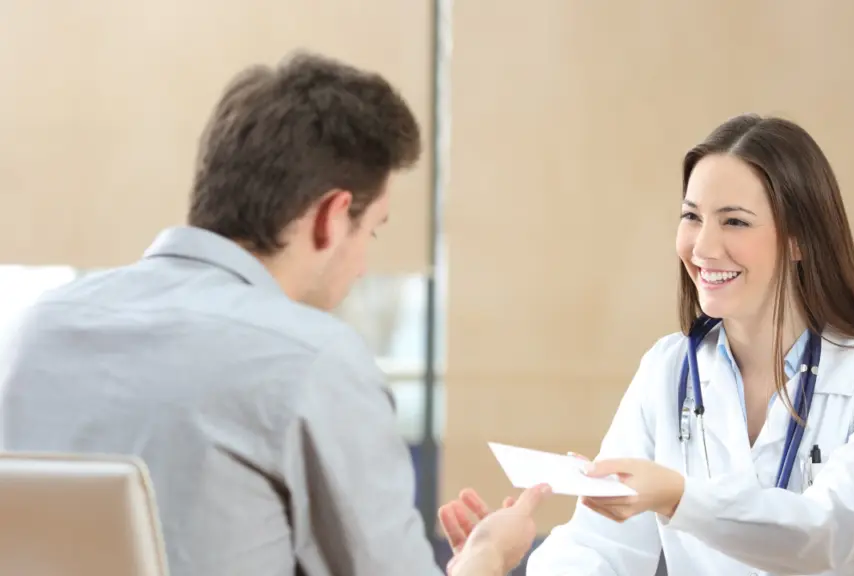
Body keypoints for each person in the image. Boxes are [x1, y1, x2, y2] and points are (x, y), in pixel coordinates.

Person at [0, 51, 548, 576]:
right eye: (373, 229)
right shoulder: (314, 360)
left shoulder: (38, 328)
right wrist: (488, 557)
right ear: (332, 217)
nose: (362, 267)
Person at [438, 114, 854, 575]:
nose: (702, 247)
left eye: (735, 221)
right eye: (691, 216)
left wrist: (677, 496)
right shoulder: (668, 368)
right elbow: (602, 550)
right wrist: (494, 560)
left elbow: (829, 533)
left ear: (799, 240)